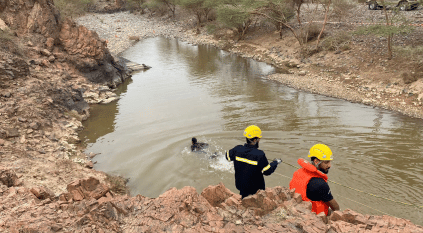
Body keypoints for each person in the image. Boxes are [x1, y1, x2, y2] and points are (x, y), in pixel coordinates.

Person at [226, 125, 281, 198]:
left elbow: (227, 157)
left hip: (241, 186)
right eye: (259, 139)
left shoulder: (237, 149)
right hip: (256, 189)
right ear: (255, 140)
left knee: (244, 198)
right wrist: (275, 162)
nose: (259, 140)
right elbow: (267, 171)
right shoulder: (259, 154)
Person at [289, 144, 340, 216]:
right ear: (316, 161)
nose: (329, 165)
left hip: (298, 208)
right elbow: (335, 207)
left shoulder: (298, 172)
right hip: (315, 215)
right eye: (326, 162)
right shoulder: (320, 184)